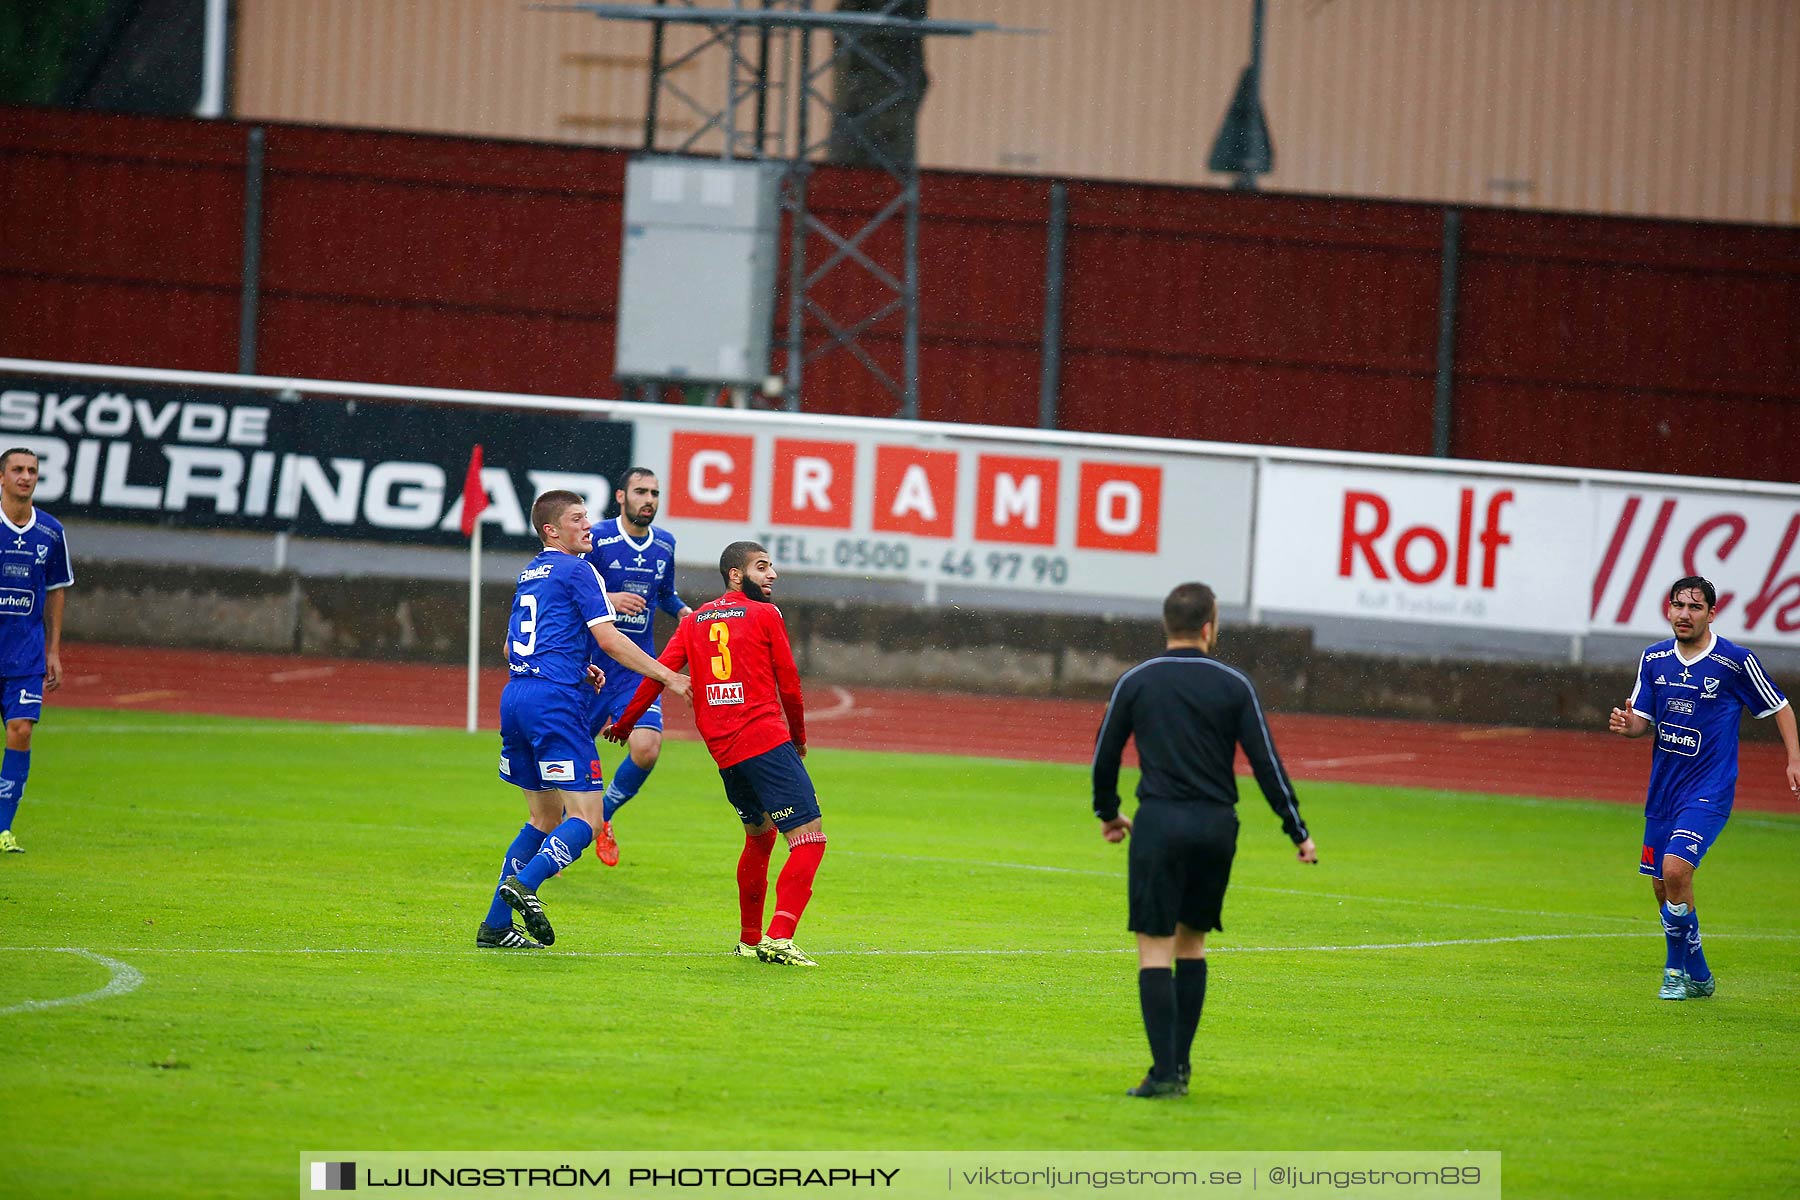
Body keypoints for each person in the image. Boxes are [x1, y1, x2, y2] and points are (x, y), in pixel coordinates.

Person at [1091, 581, 1317, 1098]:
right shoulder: (1234, 684)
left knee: (1155, 949)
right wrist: (1297, 831)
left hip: (1160, 823)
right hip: (1217, 826)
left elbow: (1105, 754)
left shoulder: (1137, 681)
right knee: (1191, 943)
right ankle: (1181, 1066)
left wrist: (1108, 812)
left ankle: (1165, 1072)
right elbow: (1266, 765)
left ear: (1166, 625)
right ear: (1210, 626)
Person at [478, 489, 691, 949]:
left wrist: (575, 666)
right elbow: (611, 640)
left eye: (587, 516)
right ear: (552, 530)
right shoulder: (580, 570)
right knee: (588, 819)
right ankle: (525, 886)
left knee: (542, 818)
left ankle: (495, 927)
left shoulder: (530, 572)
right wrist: (668, 677)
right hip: (555, 704)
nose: (588, 524)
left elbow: (510, 647)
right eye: (577, 518)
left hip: (516, 695)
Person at [604, 540, 825, 967]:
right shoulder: (765, 614)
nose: (772, 574)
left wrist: (626, 722)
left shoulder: (695, 621)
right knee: (809, 840)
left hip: (726, 754)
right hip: (765, 741)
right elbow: (790, 684)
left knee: (760, 839)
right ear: (736, 574)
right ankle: (779, 937)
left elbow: (660, 674)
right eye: (762, 567)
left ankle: (748, 939)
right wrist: (797, 738)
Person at [1608, 575, 1799, 1000]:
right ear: (1668, 609)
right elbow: (1643, 720)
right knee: (1662, 886)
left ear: (1711, 614)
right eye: (1679, 605)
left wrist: (1795, 760)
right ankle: (1698, 972)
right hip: (1663, 792)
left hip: (1708, 790)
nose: (1684, 614)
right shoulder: (1654, 658)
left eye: (1695, 607)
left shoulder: (1734, 661)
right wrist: (1629, 726)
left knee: (1676, 870)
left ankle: (1674, 971)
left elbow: (1780, 706)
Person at [580, 467, 691, 868]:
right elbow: (575, 588)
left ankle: (605, 814)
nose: (649, 500)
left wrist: (683, 612)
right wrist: (611, 598)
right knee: (571, 754)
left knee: (646, 749)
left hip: (637, 668)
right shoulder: (599, 539)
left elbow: (665, 592)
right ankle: (551, 829)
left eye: (655, 493)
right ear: (621, 496)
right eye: (641, 491)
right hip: (591, 666)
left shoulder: (665, 543)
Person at [0, 448, 73, 855]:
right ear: (2, 477)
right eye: (17, 470)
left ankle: (2, 828)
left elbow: (56, 591)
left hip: (25, 654)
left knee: (21, 731)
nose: (25, 477)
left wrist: (54, 651)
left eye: (32, 471)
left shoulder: (50, 531)